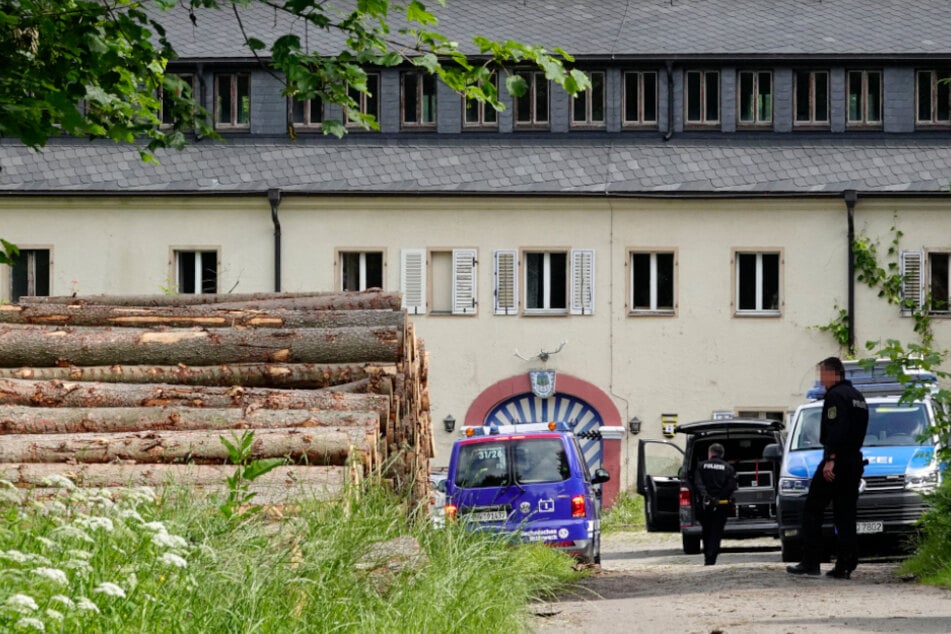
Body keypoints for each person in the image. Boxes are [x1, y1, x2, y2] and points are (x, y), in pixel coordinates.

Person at [787, 356, 869, 579]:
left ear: (832, 373)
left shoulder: (835, 396)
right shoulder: (858, 397)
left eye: (822, 374)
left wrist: (831, 458)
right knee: (845, 514)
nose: (821, 380)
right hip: (854, 461)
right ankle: (846, 564)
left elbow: (837, 428)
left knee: (813, 509)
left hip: (838, 460)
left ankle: (811, 562)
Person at [693, 442, 737, 566]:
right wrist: (718, 498)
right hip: (721, 504)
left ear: (710, 453)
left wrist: (707, 496)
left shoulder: (701, 466)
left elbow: (698, 483)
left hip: (705, 505)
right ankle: (712, 558)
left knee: (706, 530)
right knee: (716, 532)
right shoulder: (728, 468)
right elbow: (731, 486)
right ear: (722, 454)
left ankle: (707, 556)